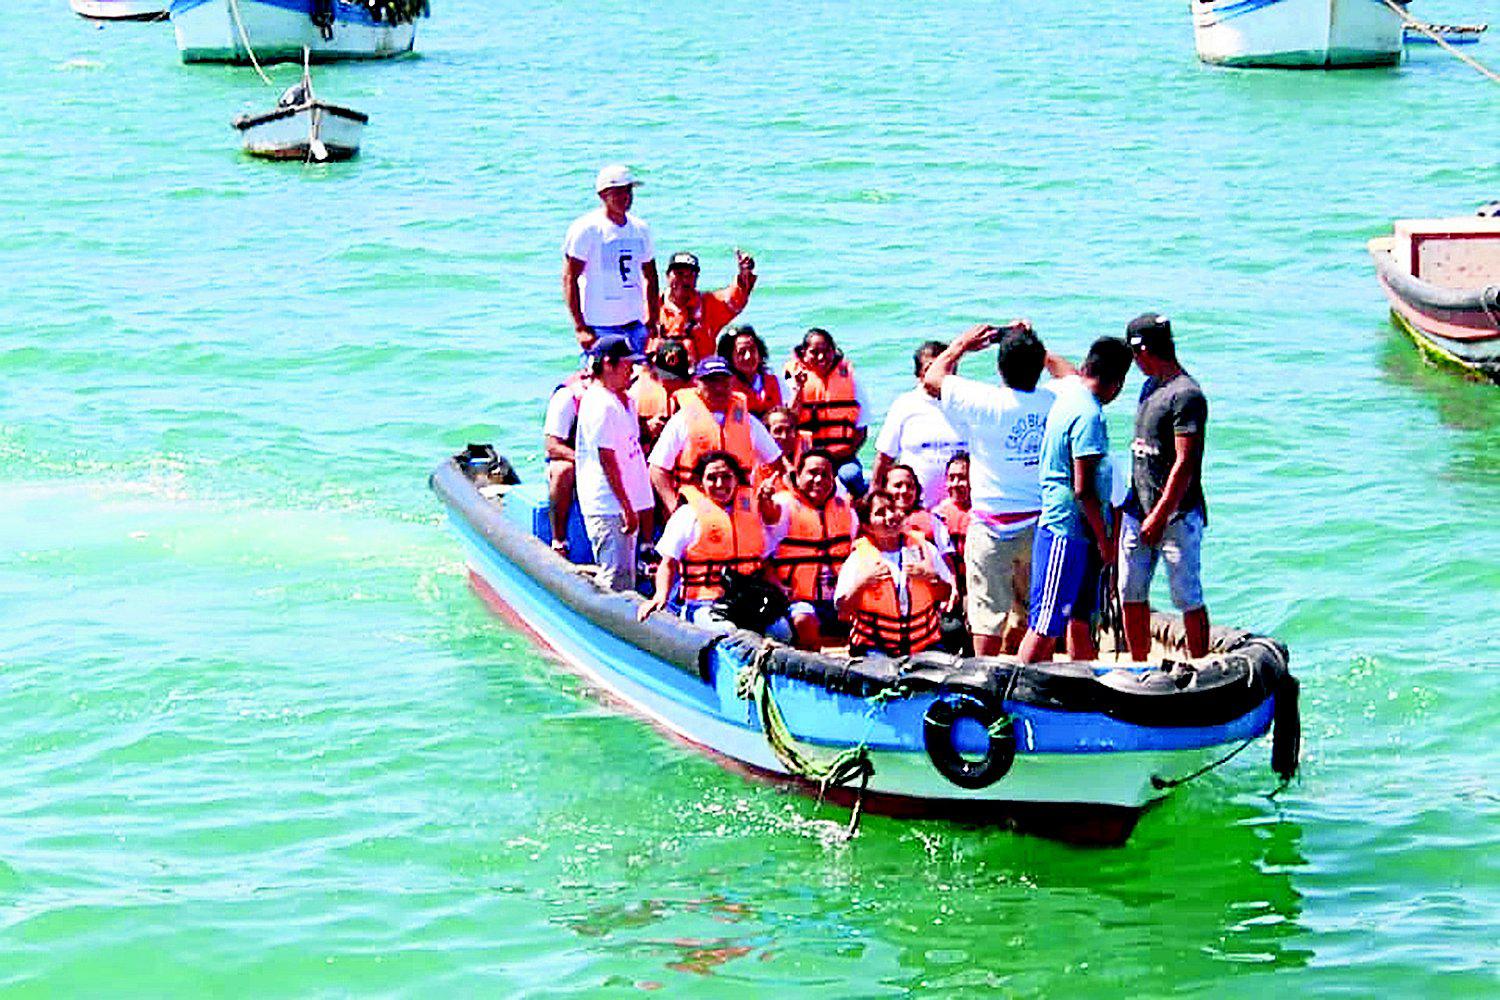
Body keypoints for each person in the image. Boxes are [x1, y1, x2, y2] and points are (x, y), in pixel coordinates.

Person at [922, 322, 1056, 655]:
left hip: (993, 524)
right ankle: (1036, 680)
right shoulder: (1054, 400)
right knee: (1037, 613)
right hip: (1039, 523)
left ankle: (986, 683)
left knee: (986, 615)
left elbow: (932, 378)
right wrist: (1034, 347)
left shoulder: (983, 400)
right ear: (1038, 366)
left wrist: (962, 344)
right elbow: (1076, 378)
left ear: (999, 367)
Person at [1013, 336, 1133, 665]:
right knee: (1045, 627)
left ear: (1085, 367)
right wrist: (1105, 540)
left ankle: (1082, 686)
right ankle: (1012, 696)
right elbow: (1084, 490)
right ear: (1117, 384)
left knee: (1079, 620)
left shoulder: (1069, 394)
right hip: (1067, 530)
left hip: (1077, 530)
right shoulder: (1090, 416)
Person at [1118, 313, 1212, 660]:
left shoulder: (1186, 395)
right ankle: (1139, 665)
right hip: (1137, 509)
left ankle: (1200, 666)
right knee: (1130, 591)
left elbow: (1185, 462)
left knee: (1187, 594)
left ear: (1145, 351)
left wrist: (1160, 515)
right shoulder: (1149, 386)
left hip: (1177, 514)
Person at [638, 451, 767, 628]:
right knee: (728, 630)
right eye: (712, 478)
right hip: (704, 603)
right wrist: (660, 595)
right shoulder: (687, 515)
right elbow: (668, 563)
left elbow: (764, 561)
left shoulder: (753, 513)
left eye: (726, 477)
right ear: (701, 483)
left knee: (781, 629)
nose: (720, 484)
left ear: (736, 480)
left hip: (745, 600)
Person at [647, 356, 780, 511]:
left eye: (724, 381)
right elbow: (657, 469)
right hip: (696, 506)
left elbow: (775, 461)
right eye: (710, 381)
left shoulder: (748, 422)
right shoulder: (682, 420)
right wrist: (673, 506)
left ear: (732, 382)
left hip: (740, 506)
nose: (718, 387)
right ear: (697, 383)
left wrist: (767, 494)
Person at [574, 336, 654, 592]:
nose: (631, 371)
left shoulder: (625, 401)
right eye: (626, 365)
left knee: (626, 575)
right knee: (614, 576)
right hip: (609, 505)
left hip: (625, 504)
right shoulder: (599, 404)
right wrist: (626, 506)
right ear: (608, 364)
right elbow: (607, 459)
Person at [835, 489, 953, 658]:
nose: (890, 516)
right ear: (868, 525)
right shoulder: (858, 559)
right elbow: (842, 610)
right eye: (881, 513)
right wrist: (862, 583)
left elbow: (946, 593)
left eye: (892, 509)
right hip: (875, 647)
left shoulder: (925, 548)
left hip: (924, 644)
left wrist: (931, 578)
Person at [760, 448, 858, 649]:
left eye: (825, 475)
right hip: (798, 598)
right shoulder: (783, 506)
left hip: (838, 597)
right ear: (798, 475)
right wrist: (777, 587)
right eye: (812, 473)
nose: (819, 480)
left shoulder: (845, 510)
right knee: (805, 621)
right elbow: (765, 552)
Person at [563, 164, 659, 354]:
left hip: (635, 325)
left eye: (628, 191)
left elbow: (650, 275)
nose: (625, 197)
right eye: (618, 192)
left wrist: (652, 319)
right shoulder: (587, 229)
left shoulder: (640, 229)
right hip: (600, 327)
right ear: (602, 195)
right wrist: (580, 327)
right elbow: (569, 278)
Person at [872, 341, 968, 508]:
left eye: (945, 367)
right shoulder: (905, 404)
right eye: (930, 368)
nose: (939, 374)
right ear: (918, 374)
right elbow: (884, 457)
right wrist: (874, 495)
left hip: (961, 508)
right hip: (916, 507)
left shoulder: (969, 404)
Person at [784, 328, 871, 496]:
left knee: (852, 477)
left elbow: (862, 428)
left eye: (826, 352)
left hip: (842, 457)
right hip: (805, 458)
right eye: (814, 352)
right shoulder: (791, 379)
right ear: (804, 353)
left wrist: (848, 451)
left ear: (834, 350)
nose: (821, 357)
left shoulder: (851, 379)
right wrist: (799, 390)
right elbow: (788, 422)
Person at [658, 250, 757, 363]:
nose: (684, 280)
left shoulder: (708, 304)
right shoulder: (653, 305)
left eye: (690, 275)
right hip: (659, 374)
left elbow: (736, 298)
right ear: (667, 275)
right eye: (679, 274)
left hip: (700, 375)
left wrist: (745, 273)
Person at [542, 366, 592, 556]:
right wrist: (585, 461)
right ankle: (559, 541)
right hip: (574, 460)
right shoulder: (567, 398)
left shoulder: (622, 397)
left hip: (608, 461)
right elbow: (553, 446)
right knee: (563, 470)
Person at [628, 340, 693, 450]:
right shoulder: (637, 390)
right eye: (666, 378)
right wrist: (646, 429)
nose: (670, 383)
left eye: (676, 379)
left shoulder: (694, 391)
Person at [717, 325, 783, 417]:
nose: (748, 356)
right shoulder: (724, 389)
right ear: (730, 358)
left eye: (752, 350)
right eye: (741, 352)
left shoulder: (777, 382)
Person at [753, 405, 805, 496]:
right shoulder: (755, 467)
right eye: (778, 431)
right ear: (766, 435)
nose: (784, 437)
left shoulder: (808, 464)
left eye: (789, 430)